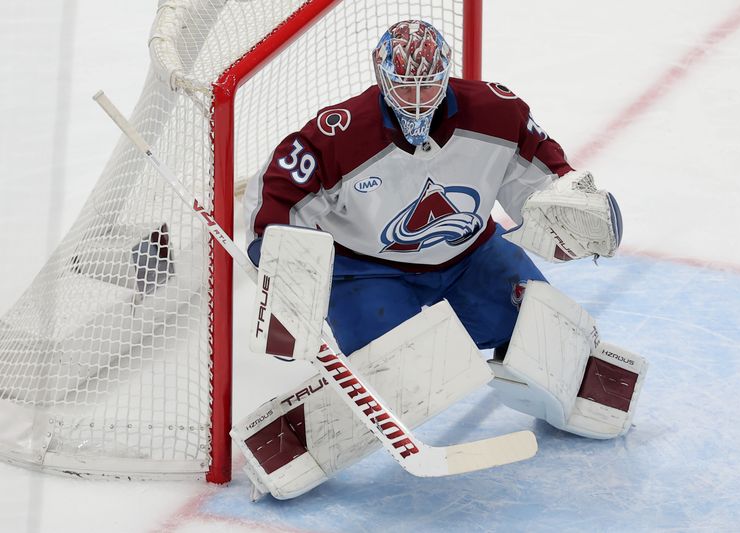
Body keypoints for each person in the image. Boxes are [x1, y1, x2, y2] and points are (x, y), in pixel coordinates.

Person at [242, 19, 645, 455]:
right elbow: (277, 201)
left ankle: (563, 395)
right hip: (366, 272)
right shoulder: (336, 135)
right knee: (398, 376)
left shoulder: (497, 111)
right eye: (404, 88)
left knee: (541, 332)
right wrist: (283, 282)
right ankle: (305, 444)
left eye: (428, 87)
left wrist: (568, 209)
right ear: (382, 78)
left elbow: (545, 180)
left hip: (471, 255)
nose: (417, 102)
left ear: (446, 76)